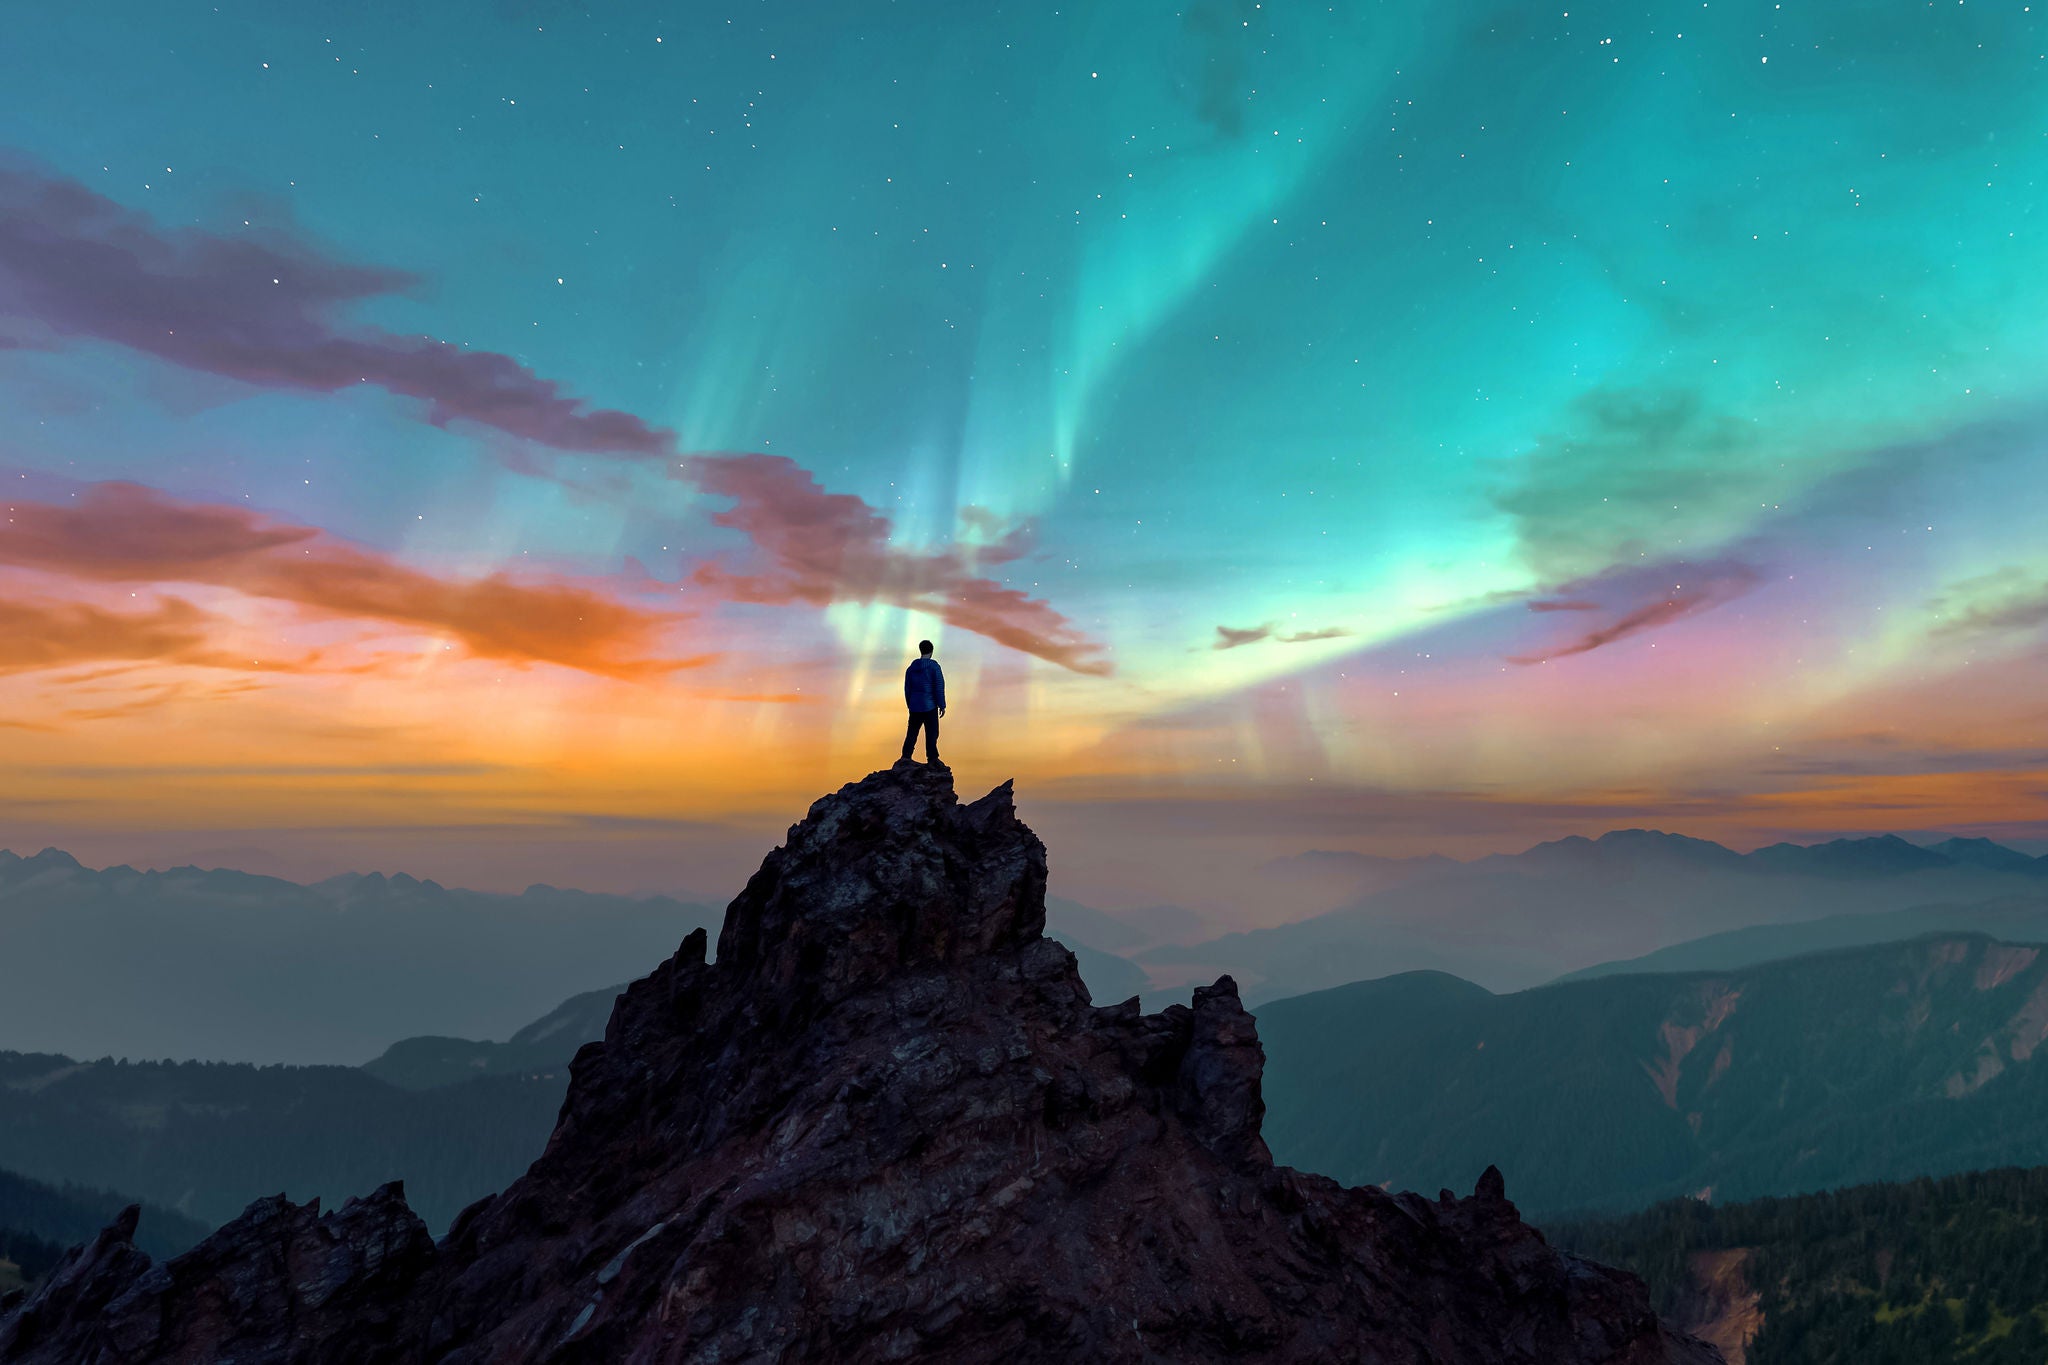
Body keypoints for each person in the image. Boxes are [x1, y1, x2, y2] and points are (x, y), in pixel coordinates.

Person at [900, 640, 945, 766]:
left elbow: (907, 688)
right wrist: (942, 704)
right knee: (932, 733)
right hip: (929, 705)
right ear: (931, 651)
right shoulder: (934, 667)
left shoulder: (911, 668)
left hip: (915, 706)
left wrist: (910, 703)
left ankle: (906, 756)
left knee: (912, 732)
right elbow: (939, 686)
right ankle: (932, 758)